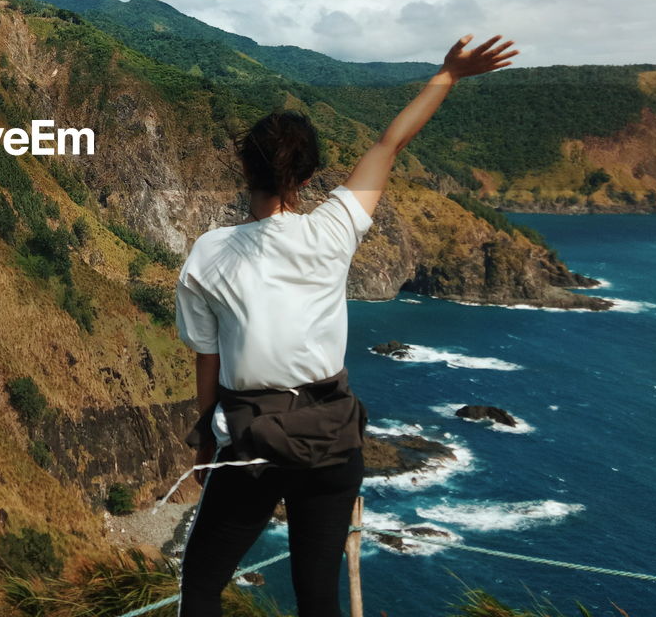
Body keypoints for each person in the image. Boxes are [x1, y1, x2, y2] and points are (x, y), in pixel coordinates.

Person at [173, 33, 519, 617]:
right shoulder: (333, 229)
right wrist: (448, 76)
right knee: (317, 595)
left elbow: (207, 360)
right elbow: (390, 142)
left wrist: (206, 435)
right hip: (333, 439)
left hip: (252, 442)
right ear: (308, 177)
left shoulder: (211, 252)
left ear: (242, 167)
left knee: (203, 584)